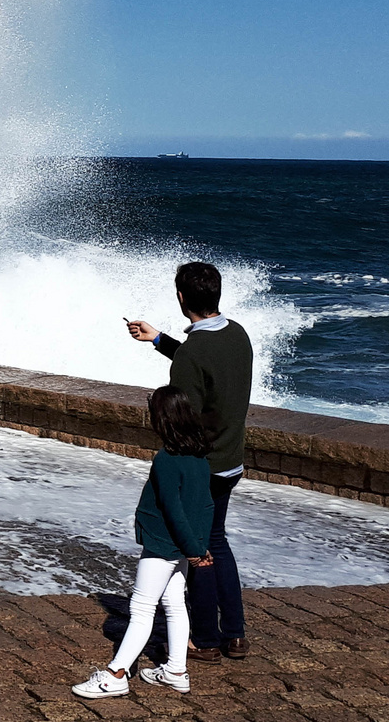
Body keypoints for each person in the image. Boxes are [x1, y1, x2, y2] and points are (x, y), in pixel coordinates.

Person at [125, 261, 253, 662]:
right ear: (216, 294)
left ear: (181, 298)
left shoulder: (195, 351)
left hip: (202, 466)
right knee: (217, 541)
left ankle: (205, 640)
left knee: (196, 550)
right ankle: (233, 634)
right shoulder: (237, 334)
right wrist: (159, 339)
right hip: (231, 459)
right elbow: (204, 368)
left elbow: (183, 416)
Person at [71, 385, 214, 699]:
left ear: (162, 420)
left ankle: (115, 674)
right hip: (185, 546)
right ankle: (176, 670)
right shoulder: (200, 458)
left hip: (164, 544)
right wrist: (198, 546)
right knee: (175, 604)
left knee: (141, 607)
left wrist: (192, 549)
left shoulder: (167, 459)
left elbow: (173, 510)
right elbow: (206, 506)